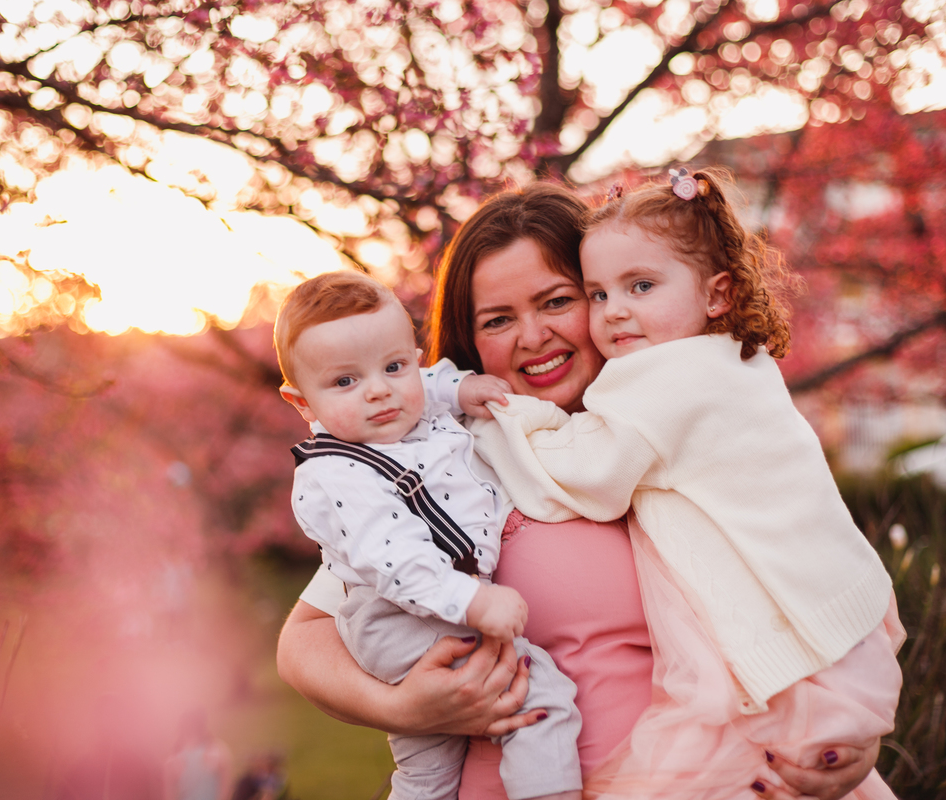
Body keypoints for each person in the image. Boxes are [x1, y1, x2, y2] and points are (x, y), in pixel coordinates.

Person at [276, 182, 886, 800]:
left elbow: (801, 578)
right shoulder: (448, 459)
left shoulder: (695, 424)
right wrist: (405, 709)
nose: (533, 335)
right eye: (498, 319)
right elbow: (304, 640)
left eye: (558, 300)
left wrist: (847, 733)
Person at [470, 169, 904, 799]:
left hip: (748, 711)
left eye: (639, 286)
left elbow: (590, 474)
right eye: (597, 294)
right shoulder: (730, 364)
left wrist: (503, 420)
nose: (615, 311)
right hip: (810, 646)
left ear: (716, 295)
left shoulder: (668, 377)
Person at [274, 270, 583, 800]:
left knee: (428, 769)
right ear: (302, 403)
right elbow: (394, 558)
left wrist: (463, 386)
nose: (378, 391)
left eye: (394, 367)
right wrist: (473, 602)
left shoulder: (408, 410)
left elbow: (427, 382)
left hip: (427, 610)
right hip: (407, 614)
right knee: (538, 697)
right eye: (345, 382)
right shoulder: (340, 472)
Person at [163, 708, 232, 800]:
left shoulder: (173, 759)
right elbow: (226, 791)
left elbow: (169, 796)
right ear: (203, 725)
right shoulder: (218, 751)